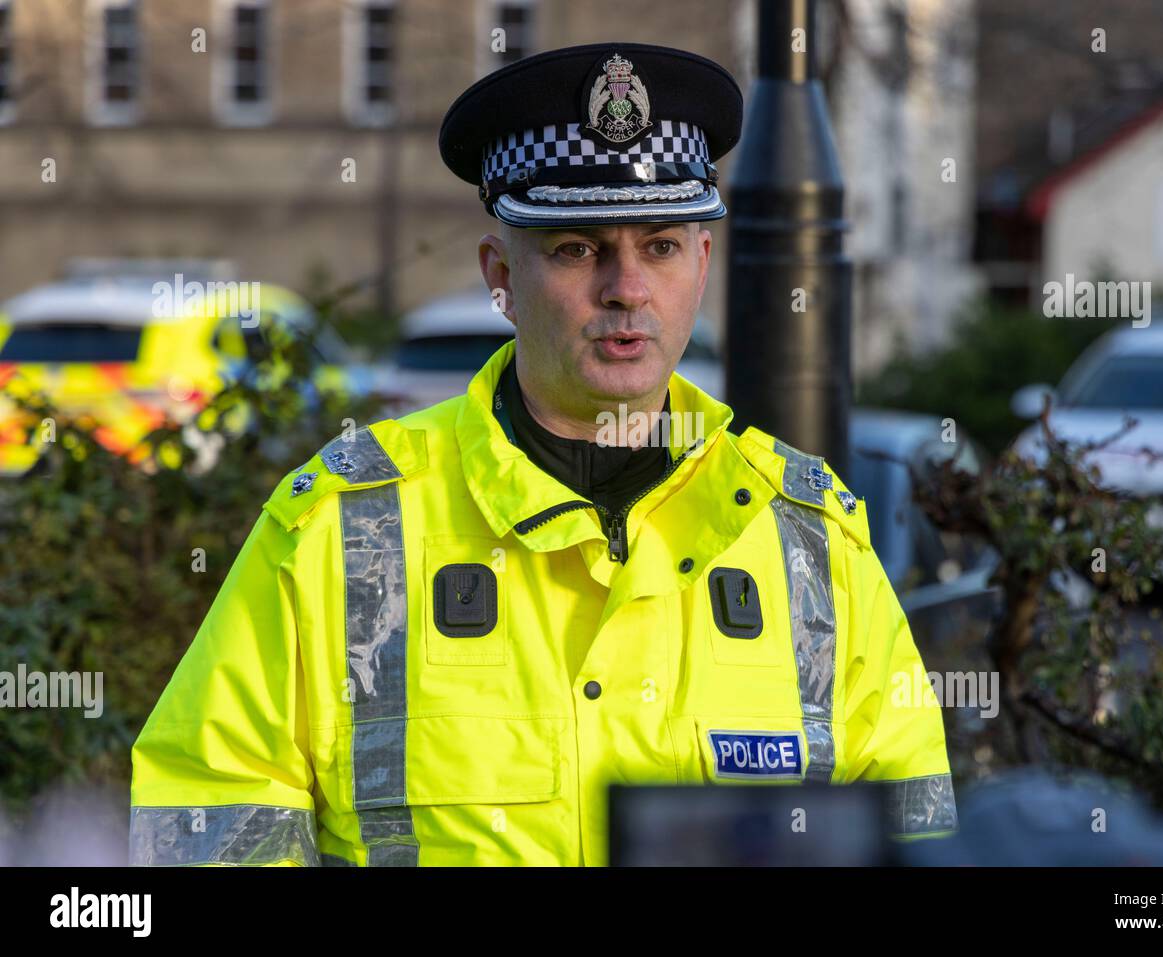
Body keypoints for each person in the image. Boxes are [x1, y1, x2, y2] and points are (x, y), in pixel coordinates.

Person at [129, 42, 956, 867]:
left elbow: (920, 833)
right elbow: (205, 816)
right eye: (577, 248)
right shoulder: (346, 526)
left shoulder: (807, 535)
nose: (626, 288)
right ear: (501, 276)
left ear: (702, 263)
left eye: (661, 245)